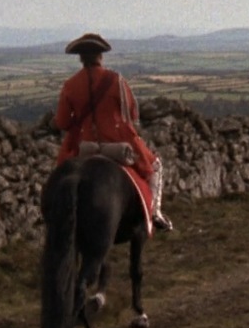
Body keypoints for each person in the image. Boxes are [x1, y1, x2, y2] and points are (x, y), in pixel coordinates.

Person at [54, 32, 172, 232]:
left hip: (84, 147)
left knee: (60, 177)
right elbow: (131, 114)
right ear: (100, 56)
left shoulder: (70, 85)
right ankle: (154, 214)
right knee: (155, 166)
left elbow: (63, 122)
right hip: (117, 145)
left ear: (81, 58)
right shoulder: (116, 81)